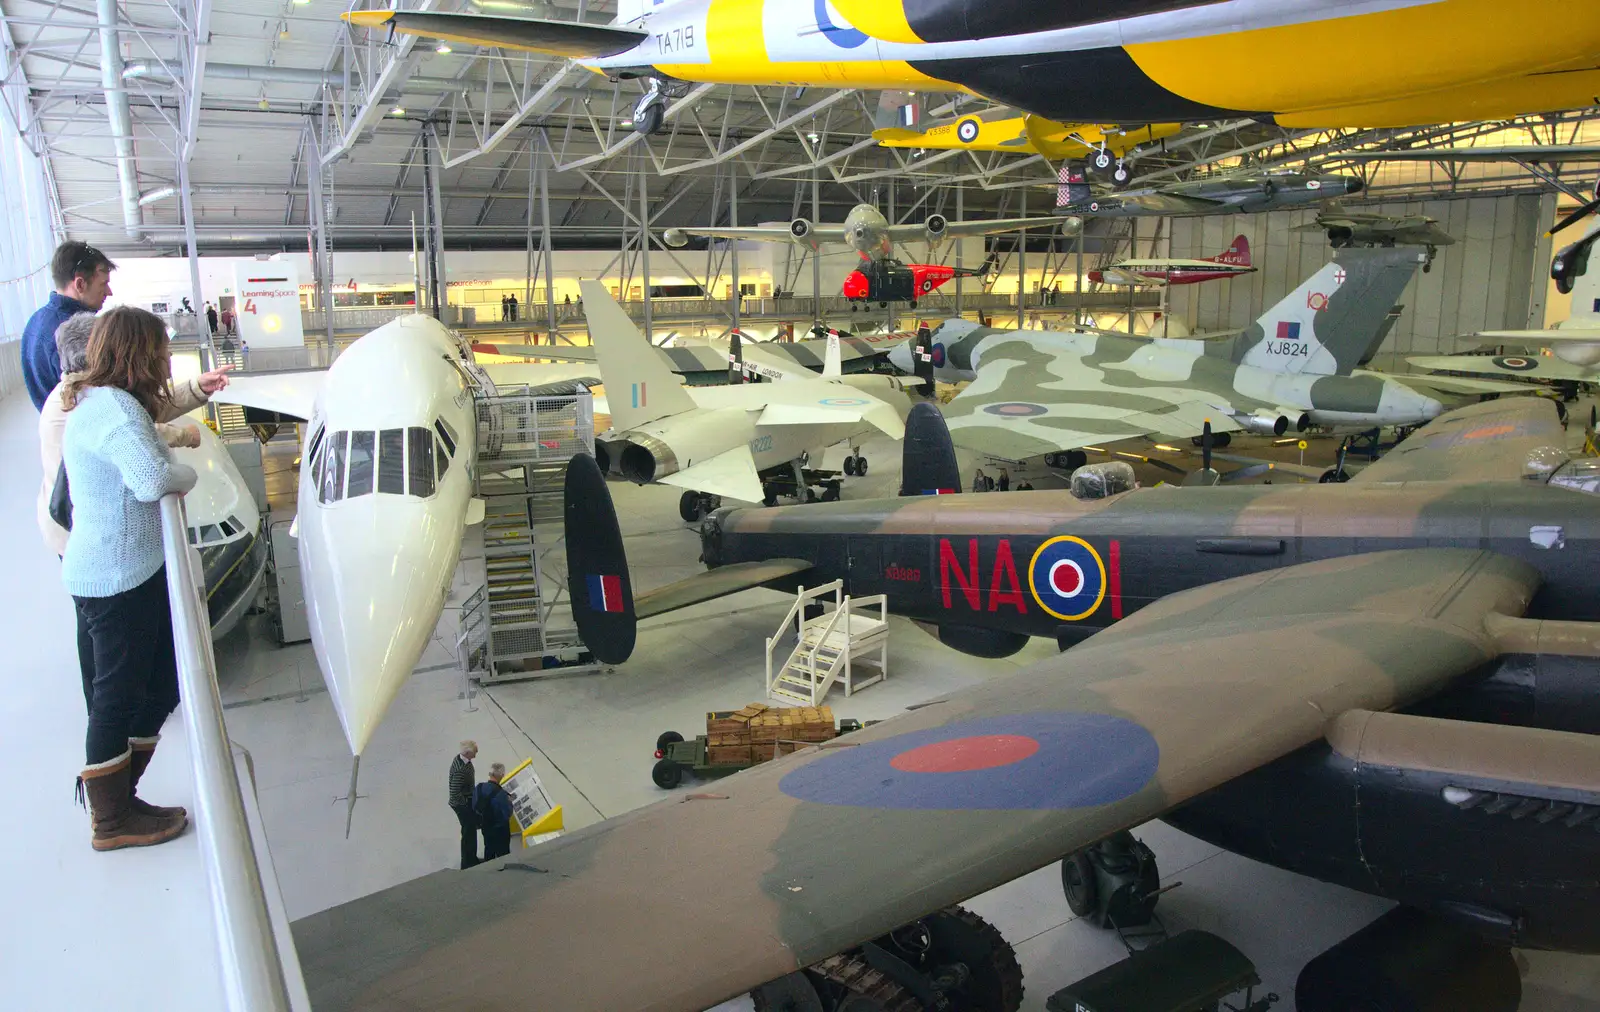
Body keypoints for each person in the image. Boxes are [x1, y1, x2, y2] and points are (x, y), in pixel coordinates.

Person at [62, 307, 200, 851]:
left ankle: (121, 797)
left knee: (151, 686)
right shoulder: (117, 411)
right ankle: (112, 819)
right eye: (161, 350)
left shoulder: (97, 401)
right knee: (118, 698)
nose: (167, 359)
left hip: (114, 575)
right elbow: (150, 480)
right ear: (139, 354)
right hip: (117, 582)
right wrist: (183, 473)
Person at [37, 313, 230, 558]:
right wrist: (186, 445)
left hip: (92, 538)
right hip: (101, 548)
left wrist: (197, 388)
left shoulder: (82, 391)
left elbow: (144, 412)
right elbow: (142, 447)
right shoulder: (93, 400)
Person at [21, 241, 116, 410]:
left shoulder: (35, 321)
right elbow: (95, 398)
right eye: (103, 284)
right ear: (80, 284)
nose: (109, 292)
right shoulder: (75, 332)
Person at [473, 762, 515, 861]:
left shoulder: (479, 788)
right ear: (501, 776)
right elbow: (507, 813)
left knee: (488, 849)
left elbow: (474, 805)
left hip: (485, 827)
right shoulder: (501, 795)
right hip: (500, 830)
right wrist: (510, 802)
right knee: (503, 854)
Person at [449, 740, 479, 869]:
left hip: (465, 800)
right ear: (467, 753)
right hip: (461, 805)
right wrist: (466, 805)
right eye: (474, 752)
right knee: (468, 832)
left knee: (470, 831)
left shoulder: (463, 761)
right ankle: (468, 863)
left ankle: (471, 858)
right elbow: (455, 792)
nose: (476, 753)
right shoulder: (460, 769)